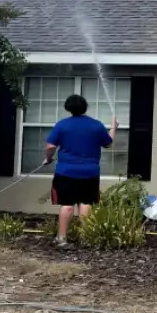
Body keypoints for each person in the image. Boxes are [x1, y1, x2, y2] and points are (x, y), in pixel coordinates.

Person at [42, 93, 118, 247]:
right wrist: (113, 128)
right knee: (85, 203)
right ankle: (86, 238)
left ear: (68, 108)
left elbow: (50, 146)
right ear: (85, 107)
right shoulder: (96, 125)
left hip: (66, 171)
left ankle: (62, 239)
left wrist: (48, 158)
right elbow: (108, 143)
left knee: (67, 204)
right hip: (90, 172)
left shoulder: (62, 125)